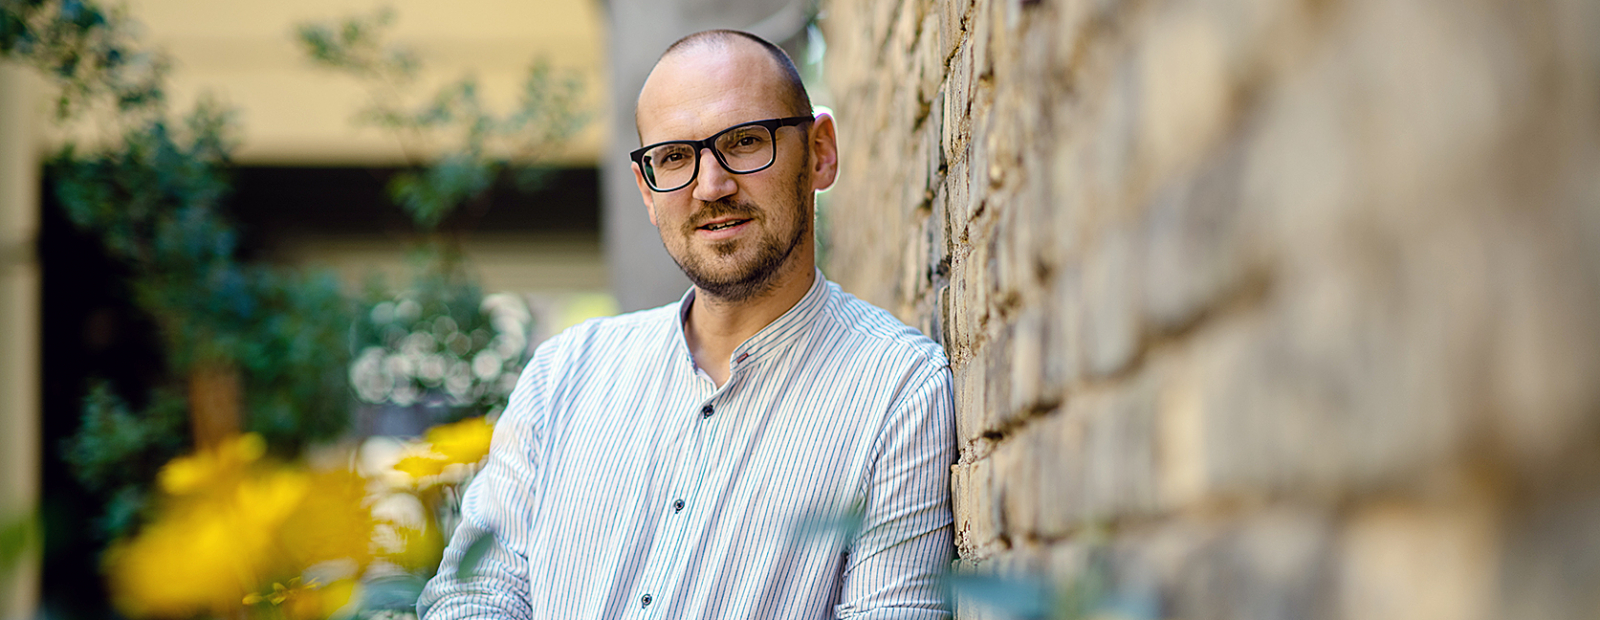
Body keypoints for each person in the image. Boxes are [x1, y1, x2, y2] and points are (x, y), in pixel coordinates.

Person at [418, 29, 955, 619]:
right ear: (647, 191)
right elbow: (472, 595)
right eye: (674, 157)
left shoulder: (900, 389)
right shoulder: (563, 373)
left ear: (820, 152)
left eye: (746, 141)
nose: (711, 187)